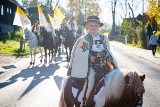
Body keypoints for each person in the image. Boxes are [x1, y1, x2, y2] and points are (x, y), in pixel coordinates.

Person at [67, 15, 118, 104]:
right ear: (86, 27)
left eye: (95, 25)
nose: (93, 27)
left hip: (105, 65)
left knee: (116, 79)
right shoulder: (84, 40)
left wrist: (109, 59)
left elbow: (107, 51)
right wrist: (89, 57)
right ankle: (84, 100)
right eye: (91, 25)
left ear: (99, 26)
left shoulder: (104, 38)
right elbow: (81, 54)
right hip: (91, 67)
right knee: (90, 81)